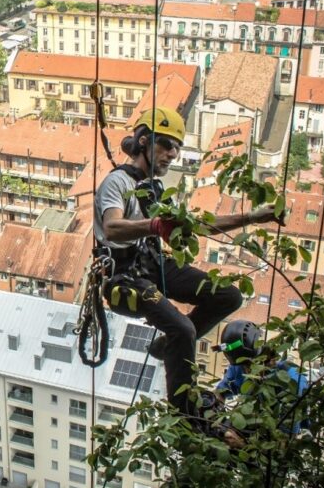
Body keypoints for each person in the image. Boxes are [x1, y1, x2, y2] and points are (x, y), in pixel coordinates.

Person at [94, 107, 279, 417]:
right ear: (143, 141)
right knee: (183, 329)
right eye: (166, 145)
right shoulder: (118, 183)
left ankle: (169, 347)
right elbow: (112, 226)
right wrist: (155, 226)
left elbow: (195, 224)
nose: (172, 154)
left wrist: (253, 217)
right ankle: (186, 411)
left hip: (152, 265)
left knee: (227, 296)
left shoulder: (155, 190)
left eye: (176, 148)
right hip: (124, 275)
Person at [214, 320, 310, 435]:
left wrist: (240, 443)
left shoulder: (293, 382)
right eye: (242, 365)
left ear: (269, 357)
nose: (246, 371)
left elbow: (285, 441)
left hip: (276, 436)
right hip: (250, 424)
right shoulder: (239, 365)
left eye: (250, 364)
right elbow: (220, 393)